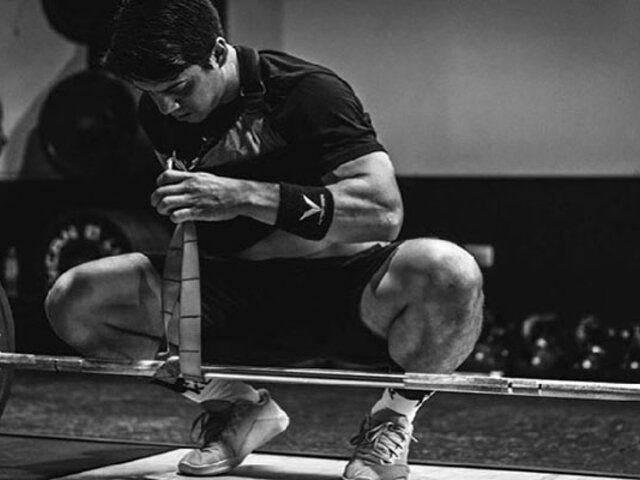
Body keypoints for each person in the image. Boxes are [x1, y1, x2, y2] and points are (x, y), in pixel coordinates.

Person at [44, 1, 485, 478]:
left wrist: (242, 196)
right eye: (151, 94)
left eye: (178, 89)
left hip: (342, 291)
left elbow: (383, 211)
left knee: (451, 272)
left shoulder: (308, 92)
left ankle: (392, 418)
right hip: (234, 291)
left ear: (217, 53)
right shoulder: (160, 114)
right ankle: (236, 408)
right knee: (75, 299)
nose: (166, 106)